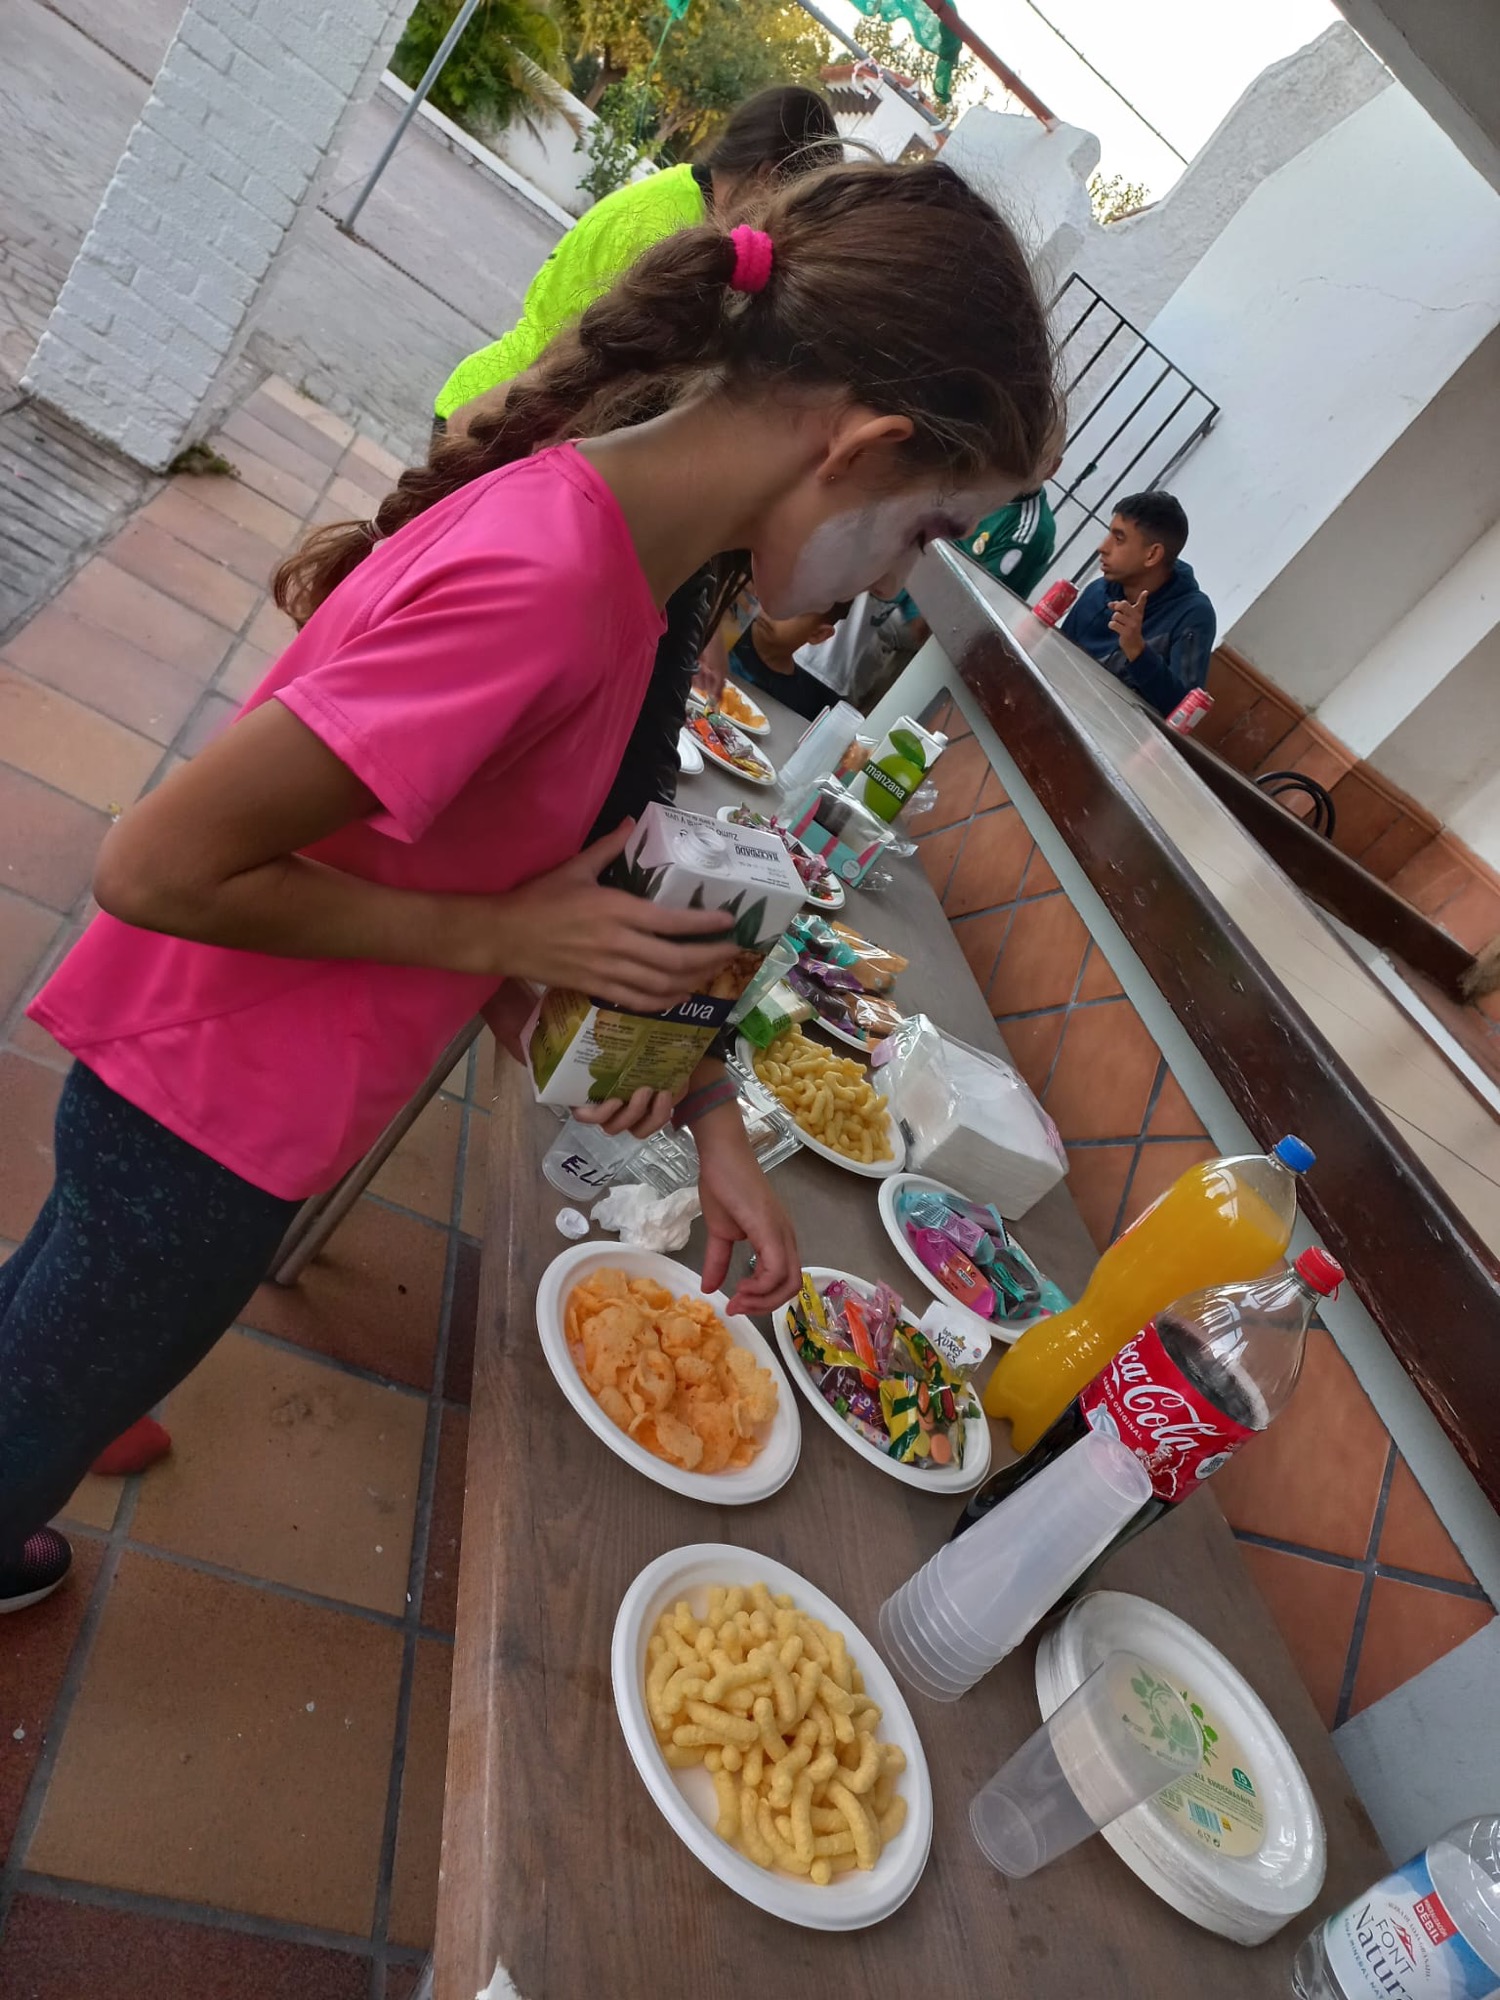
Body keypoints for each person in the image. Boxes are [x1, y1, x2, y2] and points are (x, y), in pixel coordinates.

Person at [0, 157, 1060, 1611]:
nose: (894, 576)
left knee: (73, 1304)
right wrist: (505, 932)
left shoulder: (644, 563)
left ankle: (55, 1376)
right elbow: (158, 863)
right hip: (210, 1100)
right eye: (930, 528)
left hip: (238, 1086)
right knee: (70, 1363)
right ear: (866, 443)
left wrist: (700, 1109)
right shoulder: (554, 584)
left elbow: (539, 848)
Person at [1060, 490, 1216, 715]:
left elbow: (1182, 710)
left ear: (1152, 555)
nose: (1102, 547)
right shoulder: (1097, 591)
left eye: (1119, 539)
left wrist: (1138, 651)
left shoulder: (1193, 614)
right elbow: (1057, 655)